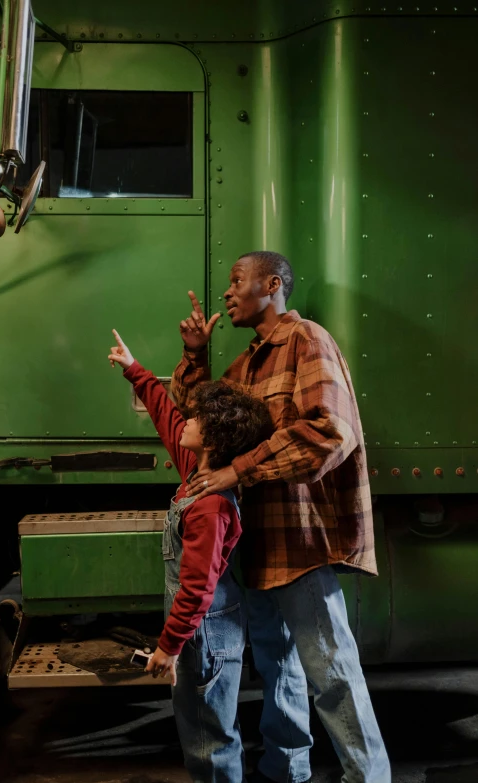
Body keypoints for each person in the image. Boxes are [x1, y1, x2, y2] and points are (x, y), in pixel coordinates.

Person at [171, 252, 392, 783]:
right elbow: (202, 416)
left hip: (300, 544)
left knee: (333, 674)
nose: (227, 293)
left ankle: (371, 777)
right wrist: (195, 354)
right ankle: (286, 771)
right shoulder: (250, 361)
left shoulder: (305, 341)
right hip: (262, 546)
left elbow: (329, 433)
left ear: (271, 285)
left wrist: (237, 473)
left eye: (236, 281)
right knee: (279, 668)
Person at [107, 329, 273, 783]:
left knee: (207, 737)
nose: (186, 422)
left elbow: (198, 587)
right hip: (204, 629)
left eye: (196, 420)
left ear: (214, 441)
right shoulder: (196, 475)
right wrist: (135, 371)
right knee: (205, 729)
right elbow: (166, 417)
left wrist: (168, 646)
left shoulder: (210, 504)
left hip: (205, 633)